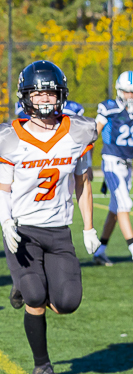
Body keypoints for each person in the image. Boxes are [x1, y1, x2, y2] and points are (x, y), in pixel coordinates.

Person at [0, 60, 99, 374]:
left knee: (66, 303)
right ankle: (42, 366)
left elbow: (84, 182)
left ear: (61, 95)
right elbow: (2, 189)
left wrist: (88, 227)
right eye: (38, 93)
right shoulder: (10, 137)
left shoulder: (78, 132)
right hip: (24, 230)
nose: (45, 99)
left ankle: (25, 282)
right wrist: (6, 222)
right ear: (26, 97)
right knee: (35, 295)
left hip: (60, 230)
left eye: (50, 92)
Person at [93, 71, 133, 266]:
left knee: (115, 209)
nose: (130, 96)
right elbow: (93, 133)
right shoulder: (109, 108)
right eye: (127, 92)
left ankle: (100, 251)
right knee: (124, 204)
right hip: (112, 160)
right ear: (119, 91)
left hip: (128, 165)